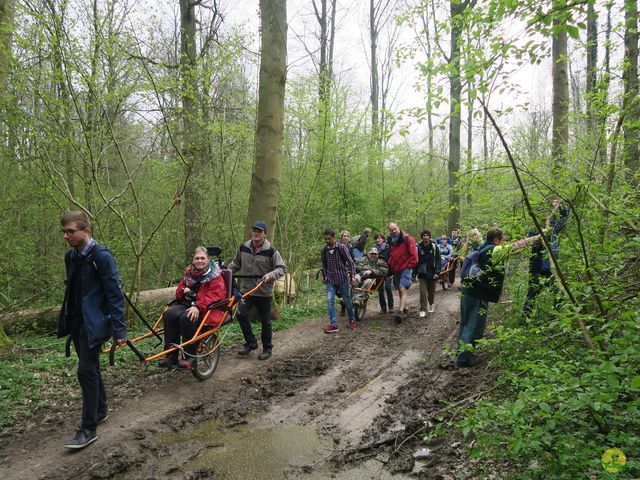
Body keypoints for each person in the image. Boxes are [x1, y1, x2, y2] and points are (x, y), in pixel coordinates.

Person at [58, 211, 127, 449]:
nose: (66, 236)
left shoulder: (102, 257)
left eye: (71, 231)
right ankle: (100, 409)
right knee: (92, 368)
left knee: (85, 370)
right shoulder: (71, 256)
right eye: (64, 232)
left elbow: (115, 295)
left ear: (85, 231)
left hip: (95, 323)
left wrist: (119, 331)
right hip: (77, 322)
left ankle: (88, 428)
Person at [456, 228, 542, 368]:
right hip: (477, 294)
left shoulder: (483, 247)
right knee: (474, 326)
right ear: (496, 240)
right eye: (502, 240)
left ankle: (462, 353)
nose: (504, 243)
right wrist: (538, 236)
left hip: (468, 291)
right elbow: (517, 246)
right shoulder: (494, 250)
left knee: (465, 324)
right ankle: (464, 359)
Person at [157, 247, 228, 369]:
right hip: (187, 303)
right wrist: (184, 290)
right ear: (193, 260)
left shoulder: (215, 275)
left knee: (187, 317)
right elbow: (179, 289)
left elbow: (216, 295)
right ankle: (170, 356)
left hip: (206, 308)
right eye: (197, 258)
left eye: (202, 258)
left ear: (208, 259)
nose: (200, 261)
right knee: (169, 314)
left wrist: (198, 306)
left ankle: (191, 358)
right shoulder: (189, 272)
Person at [229, 220, 287, 360]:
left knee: (265, 321)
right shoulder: (243, 247)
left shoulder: (271, 250)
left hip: (264, 292)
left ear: (265, 234)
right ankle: (251, 342)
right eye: (254, 230)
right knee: (241, 315)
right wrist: (225, 273)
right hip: (246, 291)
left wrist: (270, 275)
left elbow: (282, 268)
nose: (256, 233)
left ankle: (267, 348)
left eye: (259, 231)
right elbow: (235, 264)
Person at [523, 200, 569, 316]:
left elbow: (564, 219)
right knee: (532, 295)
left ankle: (557, 317)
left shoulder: (553, 228)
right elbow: (531, 242)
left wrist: (560, 205)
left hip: (550, 268)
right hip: (537, 267)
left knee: (558, 294)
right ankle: (524, 321)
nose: (545, 218)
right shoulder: (534, 231)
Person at [321, 228, 357, 333]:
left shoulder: (341, 248)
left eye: (329, 238)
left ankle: (352, 320)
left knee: (347, 301)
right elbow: (324, 266)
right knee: (329, 301)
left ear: (334, 237)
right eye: (326, 239)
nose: (327, 241)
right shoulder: (324, 250)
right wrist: (325, 277)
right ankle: (334, 324)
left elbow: (351, 263)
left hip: (342, 279)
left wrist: (353, 276)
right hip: (331, 280)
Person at [387, 222, 418, 323]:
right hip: (396, 268)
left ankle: (400, 312)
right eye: (391, 230)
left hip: (406, 267)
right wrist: (390, 264)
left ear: (398, 227)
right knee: (399, 289)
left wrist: (410, 266)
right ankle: (405, 308)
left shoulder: (408, 239)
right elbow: (391, 254)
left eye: (395, 229)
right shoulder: (391, 241)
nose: (394, 231)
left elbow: (414, 254)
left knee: (402, 288)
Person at [416, 230, 441, 317]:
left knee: (431, 292)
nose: (425, 237)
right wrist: (414, 273)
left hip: (432, 272)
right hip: (422, 273)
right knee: (422, 292)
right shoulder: (418, 247)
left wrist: (437, 272)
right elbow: (416, 260)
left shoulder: (434, 247)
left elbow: (438, 260)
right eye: (424, 235)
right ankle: (423, 309)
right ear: (422, 237)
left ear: (430, 237)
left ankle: (431, 304)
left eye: (427, 235)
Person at [373, 233, 394, 314]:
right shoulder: (374, 248)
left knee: (388, 288)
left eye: (379, 238)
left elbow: (391, 257)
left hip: (388, 270)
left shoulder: (388, 247)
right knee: (380, 290)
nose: (378, 240)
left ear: (383, 239)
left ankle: (391, 307)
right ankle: (383, 308)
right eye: (377, 238)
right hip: (378, 271)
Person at [338, 230, 355, 316]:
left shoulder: (350, 247)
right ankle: (343, 304)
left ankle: (344, 307)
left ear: (349, 238)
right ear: (341, 237)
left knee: (346, 288)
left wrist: (352, 269)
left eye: (347, 236)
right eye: (344, 236)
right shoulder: (338, 246)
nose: (345, 237)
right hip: (338, 269)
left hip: (347, 270)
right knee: (339, 290)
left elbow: (352, 259)